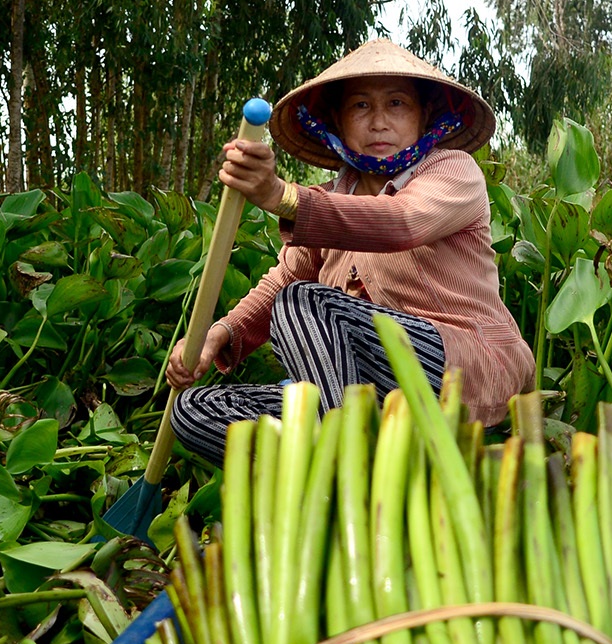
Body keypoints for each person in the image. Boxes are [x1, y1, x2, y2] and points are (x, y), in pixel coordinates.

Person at [165, 39, 533, 461]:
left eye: (396, 104)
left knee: (305, 303)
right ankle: (357, 456)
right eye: (360, 106)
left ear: (424, 114)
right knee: (196, 409)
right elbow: (284, 278)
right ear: (336, 121)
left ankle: (345, 468)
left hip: (458, 369)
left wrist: (282, 196)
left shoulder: (452, 172)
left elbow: (401, 221)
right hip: (360, 390)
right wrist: (219, 334)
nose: (379, 122)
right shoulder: (334, 194)